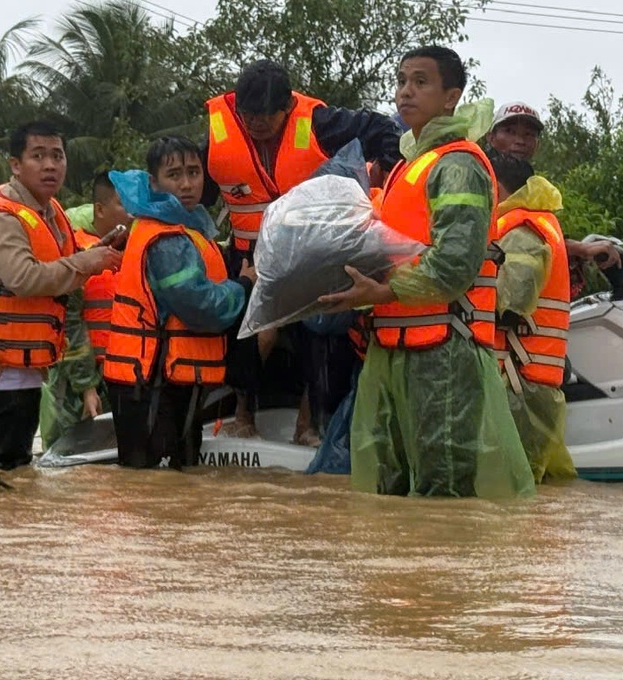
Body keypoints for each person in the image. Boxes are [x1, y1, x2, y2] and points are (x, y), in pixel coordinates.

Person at [320, 46, 536, 498]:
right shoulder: (405, 166)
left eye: (420, 82)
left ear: (451, 97)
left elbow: (455, 264)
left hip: (444, 350)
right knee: (393, 486)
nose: (405, 92)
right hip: (396, 346)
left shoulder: (457, 165)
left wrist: (381, 291)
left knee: (444, 486)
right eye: (401, 81)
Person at [203, 58, 402, 442]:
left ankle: (306, 426)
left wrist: (388, 172)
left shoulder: (321, 122)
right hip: (252, 256)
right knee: (257, 332)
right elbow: (202, 187)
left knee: (322, 329)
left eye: (265, 116)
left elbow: (381, 129)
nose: (256, 124)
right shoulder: (220, 129)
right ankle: (242, 416)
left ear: (287, 108)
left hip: (312, 253)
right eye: (248, 115)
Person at [0, 121, 123, 470]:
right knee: (4, 468)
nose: (50, 165)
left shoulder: (50, 211)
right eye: (38, 156)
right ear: (15, 165)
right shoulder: (1, 216)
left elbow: (64, 265)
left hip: (25, 364)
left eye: (57, 155)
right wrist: (85, 262)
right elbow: (23, 278)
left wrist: (98, 255)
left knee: (12, 468)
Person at [102, 136, 255, 469]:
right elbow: (201, 307)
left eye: (194, 172)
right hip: (153, 384)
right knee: (156, 491)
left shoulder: (182, 228)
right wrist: (244, 284)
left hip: (164, 382)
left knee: (171, 491)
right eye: (175, 175)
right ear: (154, 182)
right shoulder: (167, 239)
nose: (187, 184)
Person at [488, 151, 578, 483]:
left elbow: (510, 302)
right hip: (529, 383)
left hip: (518, 383)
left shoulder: (522, 231)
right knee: (537, 494)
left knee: (511, 493)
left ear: (495, 187)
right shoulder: (535, 224)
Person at [38, 173, 132, 450]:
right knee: (65, 457)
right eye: (123, 204)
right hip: (74, 379)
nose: (132, 212)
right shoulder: (76, 252)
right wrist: (86, 386)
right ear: (100, 210)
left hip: (120, 374)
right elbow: (69, 322)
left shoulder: (137, 249)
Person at [484, 101, 620, 271]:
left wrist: (576, 248)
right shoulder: (478, 178)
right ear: (491, 137)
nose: (519, 141)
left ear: (537, 144)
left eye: (528, 134)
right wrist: (578, 248)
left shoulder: (535, 188)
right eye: (510, 132)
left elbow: (535, 239)